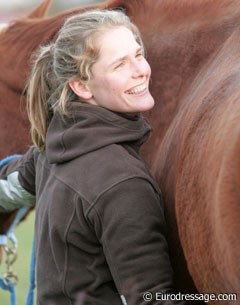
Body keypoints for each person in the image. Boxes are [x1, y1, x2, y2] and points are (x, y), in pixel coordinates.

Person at [0, 9, 186, 305]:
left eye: (138, 55)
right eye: (120, 65)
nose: (141, 70)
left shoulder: (52, 151)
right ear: (81, 86)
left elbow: (9, 184)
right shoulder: (123, 184)